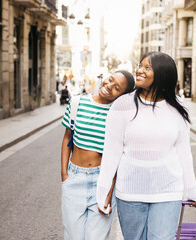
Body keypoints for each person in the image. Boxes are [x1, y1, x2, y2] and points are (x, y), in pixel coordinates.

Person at [96, 52, 196, 240]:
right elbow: (112, 152)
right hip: (130, 192)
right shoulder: (123, 104)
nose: (139, 70)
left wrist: (193, 191)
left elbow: (184, 152)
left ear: (162, 74)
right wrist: (103, 191)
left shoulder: (178, 106)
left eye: (147, 67)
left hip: (168, 191)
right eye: (140, 65)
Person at [60, 70, 135, 240]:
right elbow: (67, 138)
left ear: (122, 95)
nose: (109, 86)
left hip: (103, 180)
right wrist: (64, 174)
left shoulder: (119, 115)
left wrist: (108, 193)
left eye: (117, 88)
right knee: (74, 236)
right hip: (74, 178)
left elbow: (117, 157)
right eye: (110, 80)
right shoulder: (77, 103)